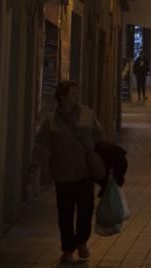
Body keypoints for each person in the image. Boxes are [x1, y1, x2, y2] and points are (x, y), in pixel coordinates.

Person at [29, 80, 106, 264]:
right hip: (62, 174)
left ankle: (81, 241)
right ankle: (67, 248)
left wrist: (100, 157)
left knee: (86, 210)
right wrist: (34, 165)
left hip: (84, 172)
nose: (76, 97)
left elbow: (100, 136)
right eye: (73, 94)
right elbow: (40, 143)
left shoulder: (87, 114)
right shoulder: (51, 120)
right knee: (65, 213)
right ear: (63, 97)